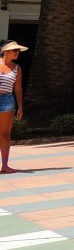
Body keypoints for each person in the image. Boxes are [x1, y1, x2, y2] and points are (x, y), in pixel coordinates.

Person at [0, 40, 26, 174]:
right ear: (5, 51)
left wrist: (20, 106)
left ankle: (4, 165)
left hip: (7, 100)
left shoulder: (17, 68)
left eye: (18, 51)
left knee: (5, 134)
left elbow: (18, 88)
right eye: (15, 50)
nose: (17, 53)